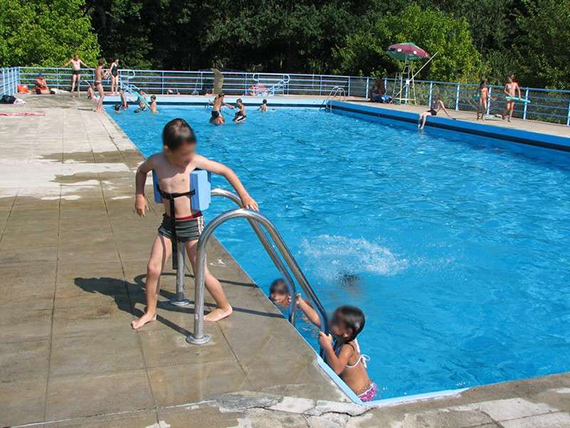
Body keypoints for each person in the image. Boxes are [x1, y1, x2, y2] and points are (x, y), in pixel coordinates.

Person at [132, 118, 258, 329]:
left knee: (200, 271)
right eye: (184, 155)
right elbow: (141, 171)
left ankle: (224, 306)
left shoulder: (195, 161)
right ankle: (151, 311)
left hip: (191, 224)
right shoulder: (157, 161)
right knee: (153, 268)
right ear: (168, 150)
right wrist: (139, 196)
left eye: (191, 153)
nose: (188, 158)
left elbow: (226, 171)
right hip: (168, 224)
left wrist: (244, 195)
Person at [297, 298, 377, 402]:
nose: (330, 322)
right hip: (364, 387)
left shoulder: (348, 347)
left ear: (347, 333)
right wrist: (300, 302)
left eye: (334, 321)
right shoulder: (340, 335)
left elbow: (337, 369)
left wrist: (327, 347)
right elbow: (317, 319)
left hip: (360, 396)